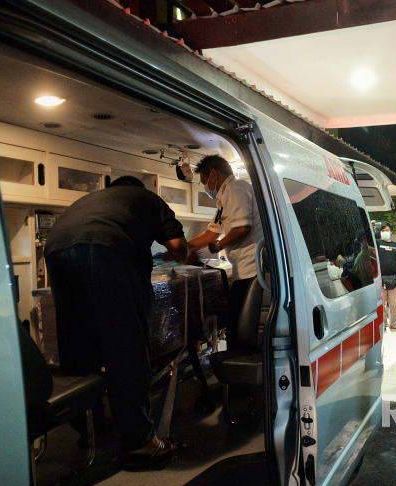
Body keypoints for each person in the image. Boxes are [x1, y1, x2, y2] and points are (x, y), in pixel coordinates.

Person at [45, 175, 188, 467]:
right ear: (139, 190)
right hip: (107, 248)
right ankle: (140, 443)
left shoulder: (88, 200)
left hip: (56, 248)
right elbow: (177, 246)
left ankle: (91, 429)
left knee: (78, 346)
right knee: (126, 346)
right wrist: (176, 255)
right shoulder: (149, 199)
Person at [187, 155, 264, 350]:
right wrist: (185, 248)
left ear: (214, 173)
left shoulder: (236, 189)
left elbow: (242, 228)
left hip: (252, 270)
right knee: (234, 324)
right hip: (243, 270)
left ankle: (240, 373)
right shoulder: (225, 196)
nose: (206, 186)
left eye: (205, 181)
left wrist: (219, 245)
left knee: (238, 328)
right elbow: (212, 232)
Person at [376, 222, 396, 330]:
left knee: (394, 304)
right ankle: (382, 324)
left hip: (394, 279)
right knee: (382, 303)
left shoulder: (395, 246)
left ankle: (393, 323)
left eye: (387, 230)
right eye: (383, 230)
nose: (385, 232)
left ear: (391, 231)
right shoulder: (377, 243)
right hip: (380, 280)